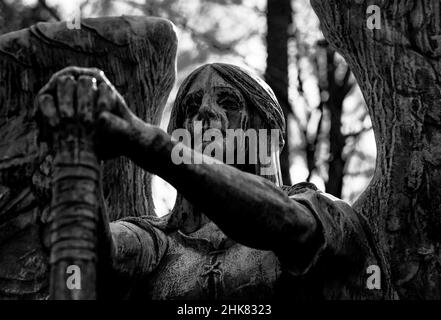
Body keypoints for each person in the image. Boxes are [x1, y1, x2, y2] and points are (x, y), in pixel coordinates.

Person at [37, 63, 393, 300]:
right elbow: (93, 263)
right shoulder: (156, 241)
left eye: (228, 101)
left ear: (270, 134)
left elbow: (282, 222)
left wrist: (149, 143)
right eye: (191, 107)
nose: (205, 112)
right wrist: (76, 145)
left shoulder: (326, 215)